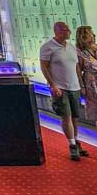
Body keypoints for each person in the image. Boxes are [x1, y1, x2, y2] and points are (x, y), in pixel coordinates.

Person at [40, 21, 86, 161]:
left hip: (74, 86)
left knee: (75, 116)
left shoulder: (71, 47)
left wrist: (81, 84)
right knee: (66, 115)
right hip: (60, 87)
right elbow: (44, 67)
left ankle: (76, 140)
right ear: (57, 31)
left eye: (68, 30)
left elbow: (77, 67)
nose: (68, 32)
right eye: (65, 30)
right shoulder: (48, 47)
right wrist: (53, 85)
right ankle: (71, 144)